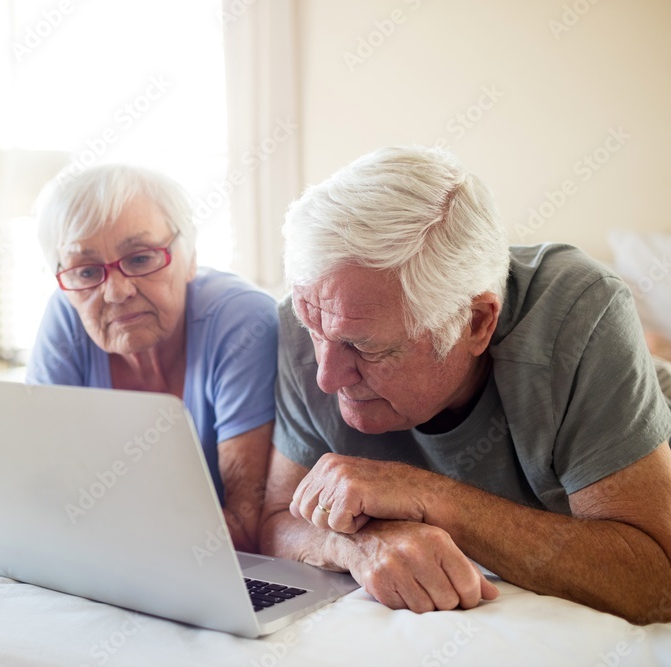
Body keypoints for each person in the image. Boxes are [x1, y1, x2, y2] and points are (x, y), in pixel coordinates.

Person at [261, 145, 671, 624]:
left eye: (367, 348)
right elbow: (274, 522)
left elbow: (656, 580)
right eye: (316, 333)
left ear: (476, 323)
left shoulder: (582, 313)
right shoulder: (311, 312)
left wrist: (428, 498)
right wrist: (357, 543)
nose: (326, 377)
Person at [26, 164, 278, 552]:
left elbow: (247, 527)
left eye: (141, 258)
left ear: (190, 257)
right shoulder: (65, 315)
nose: (115, 291)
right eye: (87, 270)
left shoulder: (242, 320)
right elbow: (40, 495)